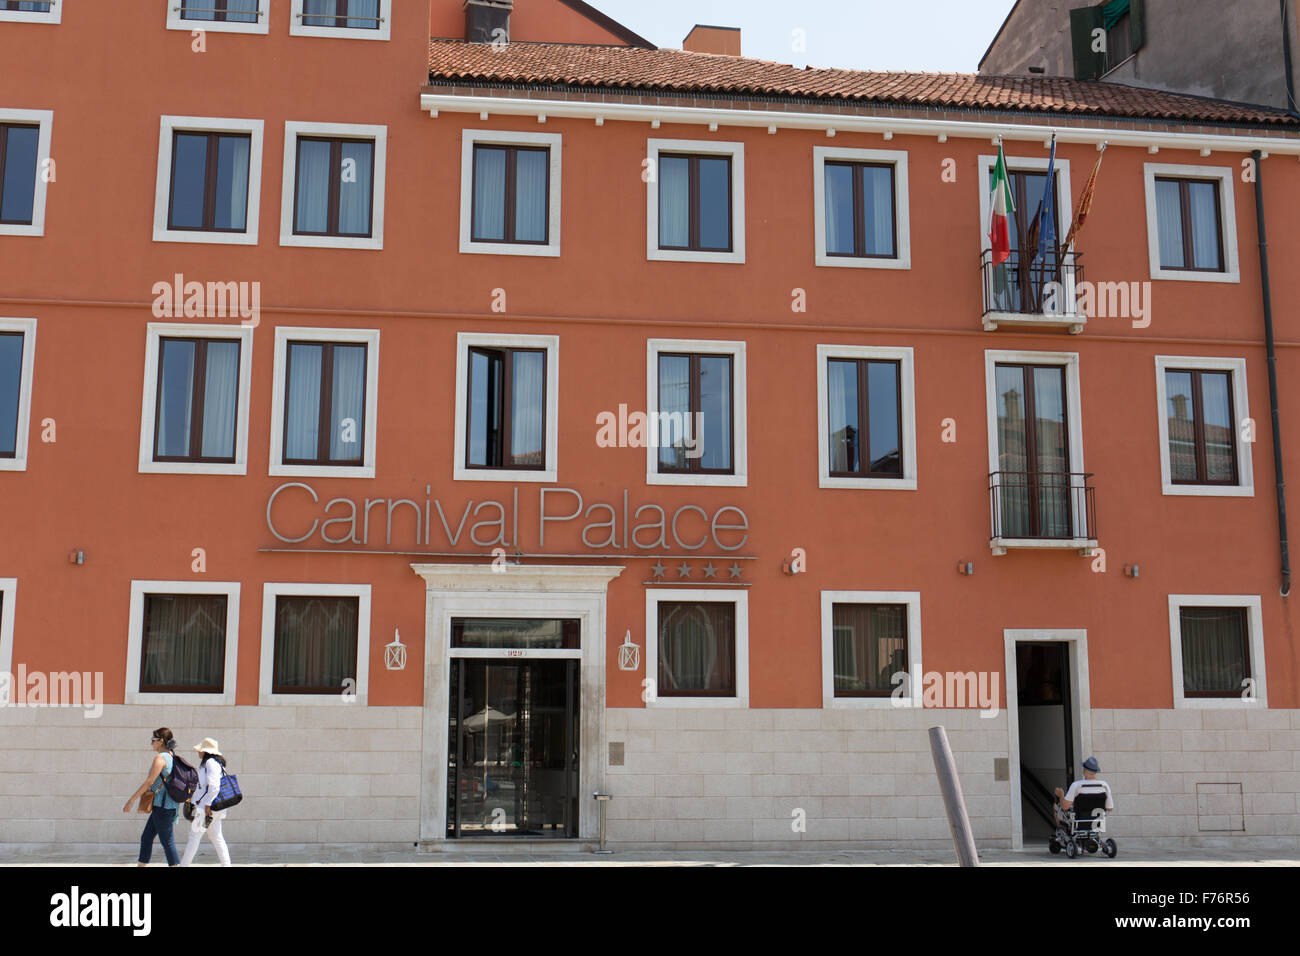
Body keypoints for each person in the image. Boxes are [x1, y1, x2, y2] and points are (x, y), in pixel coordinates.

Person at [123, 726, 180, 867]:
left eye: (153, 740)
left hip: (163, 806)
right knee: (147, 837)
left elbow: (149, 781)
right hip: (164, 805)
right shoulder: (172, 755)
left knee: (167, 841)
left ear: (160, 741)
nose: (151, 743)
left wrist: (131, 800)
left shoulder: (160, 758)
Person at [180, 737, 232, 866]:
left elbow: (214, 786)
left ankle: (183, 865)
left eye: (200, 750)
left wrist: (207, 805)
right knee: (216, 837)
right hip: (212, 808)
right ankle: (226, 865)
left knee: (194, 837)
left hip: (207, 808)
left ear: (206, 751)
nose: (198, 752)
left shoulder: (210, 763)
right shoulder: (214, 763)